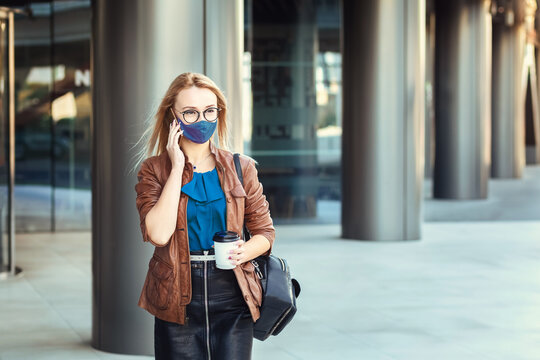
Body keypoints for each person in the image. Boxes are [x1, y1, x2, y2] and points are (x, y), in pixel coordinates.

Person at [134, 72, 275, 359]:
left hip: (234, 295)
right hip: (177, 299)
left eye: (210, 111)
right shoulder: (154, 170)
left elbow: (265, 233)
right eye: (190, 113)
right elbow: (159, 234)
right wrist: (176, 168)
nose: (202, 120)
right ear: (172, 116)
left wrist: (244, 250)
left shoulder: (241, 167)